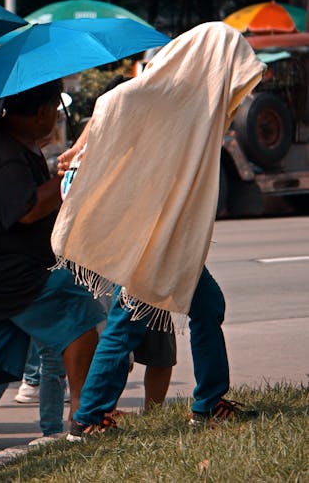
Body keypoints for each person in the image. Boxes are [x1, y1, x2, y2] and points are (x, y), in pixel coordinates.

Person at [53, 22, 265, 439]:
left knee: (205, 306)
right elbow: (111, 102)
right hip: (144, 229)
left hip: (163, 230)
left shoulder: (195, 100)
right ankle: (88, 417)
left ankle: (207, 403)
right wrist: (81, 147)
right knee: (129, 317)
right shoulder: (163, 90)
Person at [0, 80, 105, 478]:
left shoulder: (14, 143)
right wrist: (69, 182)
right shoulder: (3, 154)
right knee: (81, 318)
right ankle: (85, 420)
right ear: (40, 112)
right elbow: (26, 210)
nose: (55, 118)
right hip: (9, 273)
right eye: (54, 109)